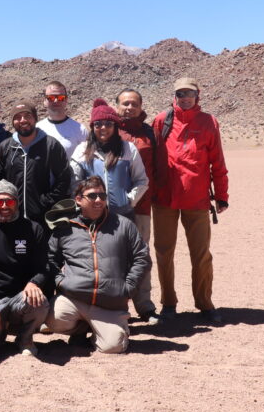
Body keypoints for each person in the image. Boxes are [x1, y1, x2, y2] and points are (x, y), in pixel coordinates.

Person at [151, 77, 230, 324]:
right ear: (174, 95)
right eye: (180, 93)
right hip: (165, 198)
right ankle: (168, 303)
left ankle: (205, 303)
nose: (185, 97)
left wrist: (221, 195)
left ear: (198, 96)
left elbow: (217, 161)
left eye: (190, 93)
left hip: (196, 199)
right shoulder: (162, 121)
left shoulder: (208, 122)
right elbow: (150, 157)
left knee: (202, 254)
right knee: (164, 253)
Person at [71, 98, 156, 323]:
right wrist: (84, 205)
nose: (103, 129)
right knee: (101, 262)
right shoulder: (82, 150)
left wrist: (129, 200)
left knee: (130, 260)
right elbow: (73, 182)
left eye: (108, 124)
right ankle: (101, 310)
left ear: (115, 126)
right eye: (98, 124)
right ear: (92, 127)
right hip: (92, 219)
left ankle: (143, 306)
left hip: (122, 217)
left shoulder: (128, 149)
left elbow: (141, 180)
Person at [45, 177, 151, 354]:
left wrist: (129, 287)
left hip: (109, 304)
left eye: (102, 195)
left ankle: (100, 332)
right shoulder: (65, 228)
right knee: (52, 318)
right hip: (75, 298)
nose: (99, 200)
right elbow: (50, 258)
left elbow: (142, 257)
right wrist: (60, 281)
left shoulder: (123, 225)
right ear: (78, 199)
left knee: (113, 347)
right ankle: (81, 329)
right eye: (92, 196)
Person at [0, 180, 50, 358]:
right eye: (0, 201)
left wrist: (34, 283)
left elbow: (44, 267)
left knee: (39, 301)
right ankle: (0, 330)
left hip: (20, 298)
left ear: (17, 202)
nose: (5, 206)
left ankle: (24, 339)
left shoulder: (34, 229)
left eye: (10, 201)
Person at [0, 99, 71, 225]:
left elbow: (64, 179)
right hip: (13, 218)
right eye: (17, 117)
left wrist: (45, 202)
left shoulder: (51, 145)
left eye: (27, 115)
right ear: (13, 122)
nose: (23, 120)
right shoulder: (5, 147)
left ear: (35, 118)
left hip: (42, 218)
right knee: (19, 245)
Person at [115, 89, 158, 245]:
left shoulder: (150, 133)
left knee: (140, 250)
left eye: (135, 104)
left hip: (142, 204)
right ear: (117, 106)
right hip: (114, 204)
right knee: (114, 250)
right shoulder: (108, 131)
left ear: (141, 108)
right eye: (125, 103)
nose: (130, 107)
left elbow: (157, 167)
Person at [37, 81, 88, 158]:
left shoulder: (80, 130)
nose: (56, 101)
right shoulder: (37, 129)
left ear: (66, 100)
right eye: (51, 97)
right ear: (44, 101)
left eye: (60, 97)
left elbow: (86, 159)